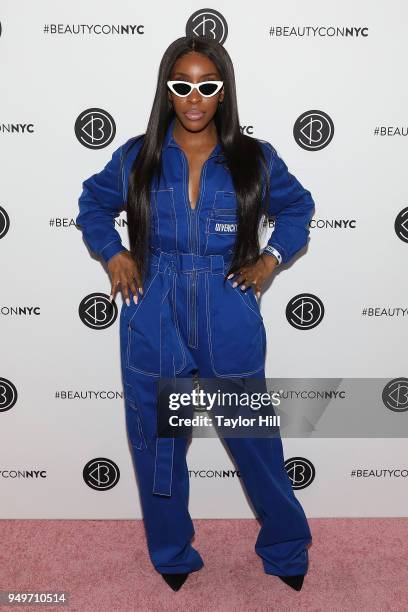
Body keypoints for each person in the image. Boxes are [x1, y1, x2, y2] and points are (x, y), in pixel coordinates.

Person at [76, 35, 315, 593]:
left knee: (254, 441)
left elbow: (299, 208)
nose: (194, 98)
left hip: (226, 303)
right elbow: (92, 203)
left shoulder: (255, 158)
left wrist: (270, 260)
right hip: (152, 303)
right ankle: (171, 551)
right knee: (158, 441)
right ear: (166, 89)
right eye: (181, 85)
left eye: (207, 86)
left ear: (223, 92)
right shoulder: (137, 155)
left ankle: (285, 547)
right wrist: (114, 253)